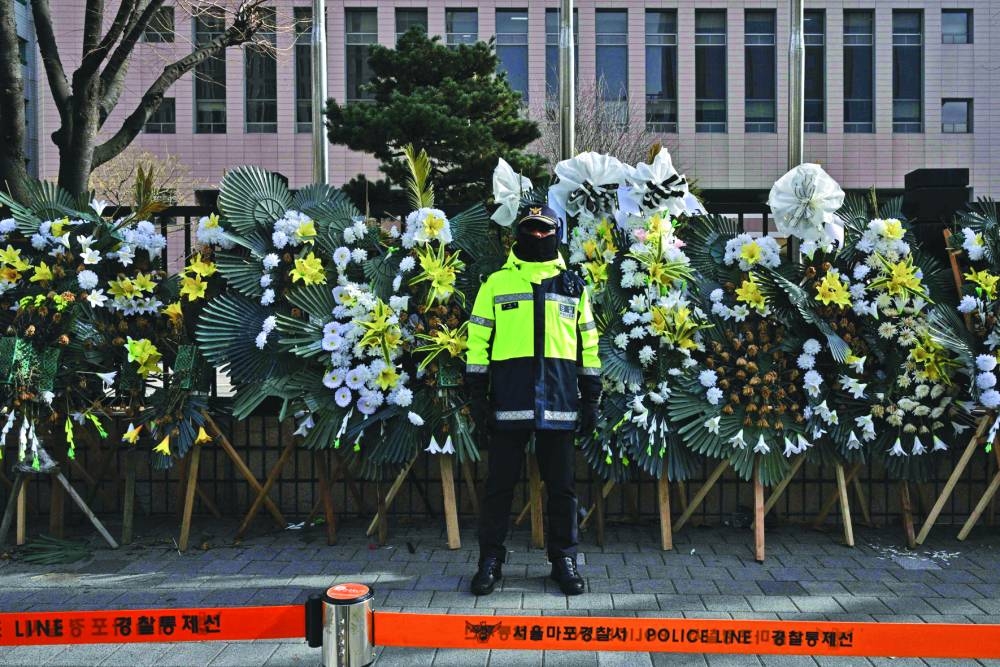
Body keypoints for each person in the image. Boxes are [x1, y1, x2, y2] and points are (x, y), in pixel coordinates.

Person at [464, 204, 602, 596]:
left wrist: (591, 397)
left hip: (560, 401)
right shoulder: (495, 284)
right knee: (499, 487)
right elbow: (477, 341)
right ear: (517, 234)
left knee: (562, 488)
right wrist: (476, 393)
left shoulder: (573, 286)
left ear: (556, 233)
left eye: (545, 231)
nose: (538, 237)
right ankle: (490, 561)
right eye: (530, 230)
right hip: (507, 400)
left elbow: (588, 344)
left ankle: (564, 561)